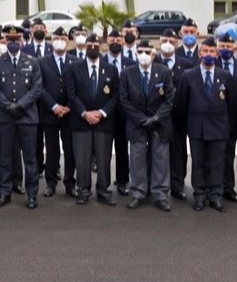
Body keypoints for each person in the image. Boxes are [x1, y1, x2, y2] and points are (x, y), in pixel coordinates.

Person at [175, 37, 234, 212]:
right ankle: (199, 195)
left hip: (219, 127)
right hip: (197, 127)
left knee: (217, 163)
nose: (208, 55)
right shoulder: (188, 76)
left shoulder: (225, 76)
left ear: (216, 55)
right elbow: (182, 102)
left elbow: (231, 103)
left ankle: (216, 196)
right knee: (198, 163)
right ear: (200, 54)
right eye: (205, 51)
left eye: (211, 52)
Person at [0, 27, 43, 209]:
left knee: (30, 158)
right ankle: (5, 193)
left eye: (16, 39)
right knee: (4, 157)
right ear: (4, 40)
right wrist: (7, 105)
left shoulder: (32, 61)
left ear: (21, 41)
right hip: (5, 116)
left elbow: (36, 88)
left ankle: (32, 195)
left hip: (27, 116)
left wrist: (20, 105)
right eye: (9, 39)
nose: (13, 42)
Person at [118, 39, 174, 211]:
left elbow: (169, 99)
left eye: (147, 52)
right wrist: (141, 119)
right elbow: (124, 100)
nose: (143, 55)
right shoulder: (127, 73)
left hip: (159, 123)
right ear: (135, 54)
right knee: (137, 158)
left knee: (161, 158)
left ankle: (160, 194)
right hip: (137, 123)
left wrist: (156, 118)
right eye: (140, 51)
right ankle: (138, 192)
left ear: (154, 54)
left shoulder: (164, 72)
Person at [66, 35, 118, 206]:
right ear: (85, 46)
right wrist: (84, 113)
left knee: (103, 159)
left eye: (96, 45)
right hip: (81, 121)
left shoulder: (110, 69)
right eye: (90, 45)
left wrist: (102, 113)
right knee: (82, 160)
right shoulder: (74, 68)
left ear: (101, 47)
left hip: (104, 122)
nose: (93, 47)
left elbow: (115, 97)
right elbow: (71, 95)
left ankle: (103, 190)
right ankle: (83, 190)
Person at [155, 29, 192, 201]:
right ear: (159, 42)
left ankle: (177, 185)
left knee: (178, 152)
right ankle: (156, 184)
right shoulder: (152, 61)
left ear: (176, 44)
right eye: (164, 40)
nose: (167, 43)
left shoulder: (185, 64)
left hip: (178, 116)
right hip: (157, 116)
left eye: (171, 40)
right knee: (157, 151)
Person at [38, 28, 75, 198]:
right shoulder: (42, 61)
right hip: (49, 113)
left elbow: (77, 88)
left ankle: (69, 183)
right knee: (51, 150)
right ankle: (50, 183)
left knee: (70, 150)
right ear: (51, 40)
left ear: (68, 40)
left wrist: (68, 106)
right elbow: (40, 87)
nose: (59, 40)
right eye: (56, 37)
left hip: (70, 114)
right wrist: (54, 106)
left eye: (62, 37)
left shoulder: (75, 62)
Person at [215, 32, 237, 203]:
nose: (225, 49)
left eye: (228, 46)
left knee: (229, 155)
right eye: (222, 46)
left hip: (234, 121)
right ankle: (215, 188)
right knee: (215, 156)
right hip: (215, 120)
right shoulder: (211, 63)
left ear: (234, 48)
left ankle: (228, 188)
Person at [103, 31, 135, 197]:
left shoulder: (130, 63)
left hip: (124, 114)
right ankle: (104, 183)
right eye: (112, 39)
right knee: (104, 151)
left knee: (122, 149)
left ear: (123, 41)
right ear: (106, 41)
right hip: (105, 114)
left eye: (118, 39)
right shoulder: (100, 61)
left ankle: (122, 181)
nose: (115, 41)